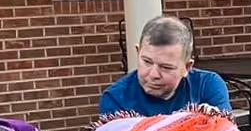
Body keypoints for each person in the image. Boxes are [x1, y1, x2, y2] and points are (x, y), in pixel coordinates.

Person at [99, 16, 232, 117]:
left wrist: (215, 122)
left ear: (187, 67)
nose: (153, 75)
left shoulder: (208, 85)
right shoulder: (116, 98)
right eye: (147, 62)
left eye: (166, 67)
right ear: (138, 52)